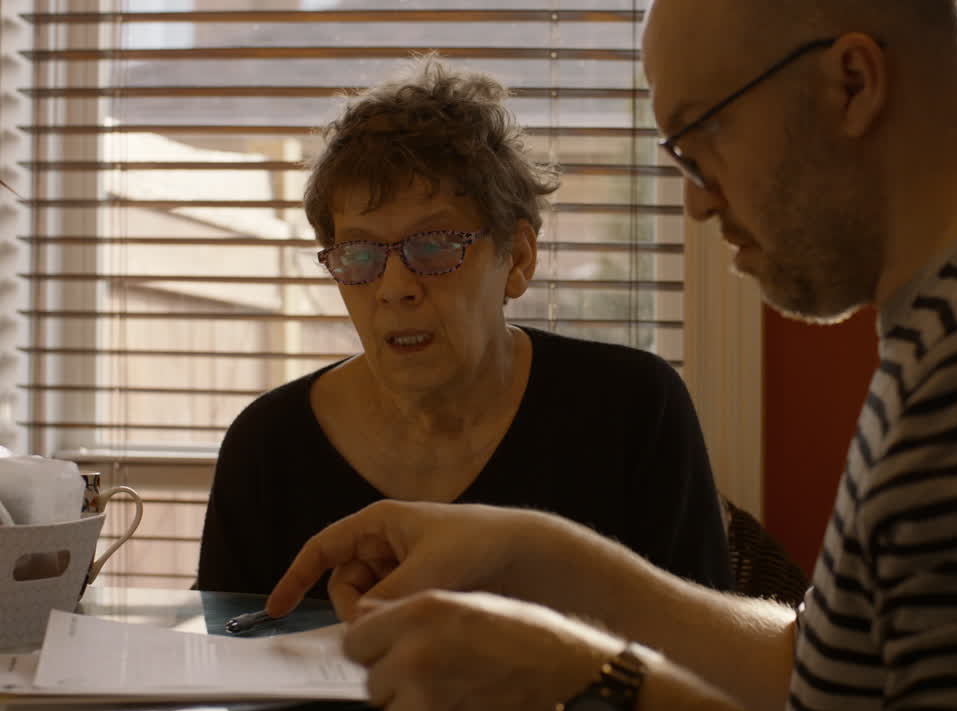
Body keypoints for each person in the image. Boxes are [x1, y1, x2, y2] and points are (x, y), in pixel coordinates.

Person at [266, 1, 957, 711]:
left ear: (849, 81)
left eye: (697, 139)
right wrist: (544, 557)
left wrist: (587, 689)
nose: (696, 199)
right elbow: (837, 675)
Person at [195, 54, 733, 599]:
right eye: (359, 253)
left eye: (433, 246)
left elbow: (709, 652)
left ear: (518, 258)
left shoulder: (633, 409)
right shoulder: (268, 446)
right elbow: (217, 662)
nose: (394, 286)